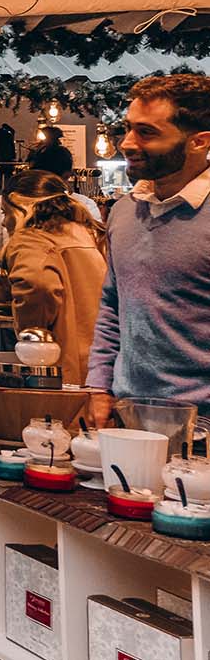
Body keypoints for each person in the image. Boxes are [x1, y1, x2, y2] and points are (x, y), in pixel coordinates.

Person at [88, 74, 210, 425]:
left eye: (147, 132)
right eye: (127, 128)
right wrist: (99, 386)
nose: (127, 143)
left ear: (198, 142)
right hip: (128, 413)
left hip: (202, 423)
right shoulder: (127, 210)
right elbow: (113, 304)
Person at [0, 170, 107, 386]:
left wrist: (32, 338)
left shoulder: (32, 240)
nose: (4, 222)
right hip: (101, 365)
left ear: (20, 208)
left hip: (57, 369)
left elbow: (38, 285)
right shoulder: (91, 232)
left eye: (5, 212)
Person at [0, 141, 102, 259]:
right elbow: (95, 251)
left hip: (15, 274)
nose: (5, 222)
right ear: (67, 175)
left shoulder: (8, 200)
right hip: (70, 278)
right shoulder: (84, 204)